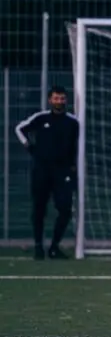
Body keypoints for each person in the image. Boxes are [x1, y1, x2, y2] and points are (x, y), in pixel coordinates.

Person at [15, 86, 79, 260]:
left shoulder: (73, 122)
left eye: (62, 98)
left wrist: (73, 166)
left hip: (62, 172)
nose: (59, 101)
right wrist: (30, 147)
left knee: (65, 209)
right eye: (56, 98)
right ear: (50, 100)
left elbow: (75, 146)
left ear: (66, 100)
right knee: (39, 209)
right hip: (41, 171)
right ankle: (38, 247)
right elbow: (19, 129)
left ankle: (54, 247)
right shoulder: (41, 118)